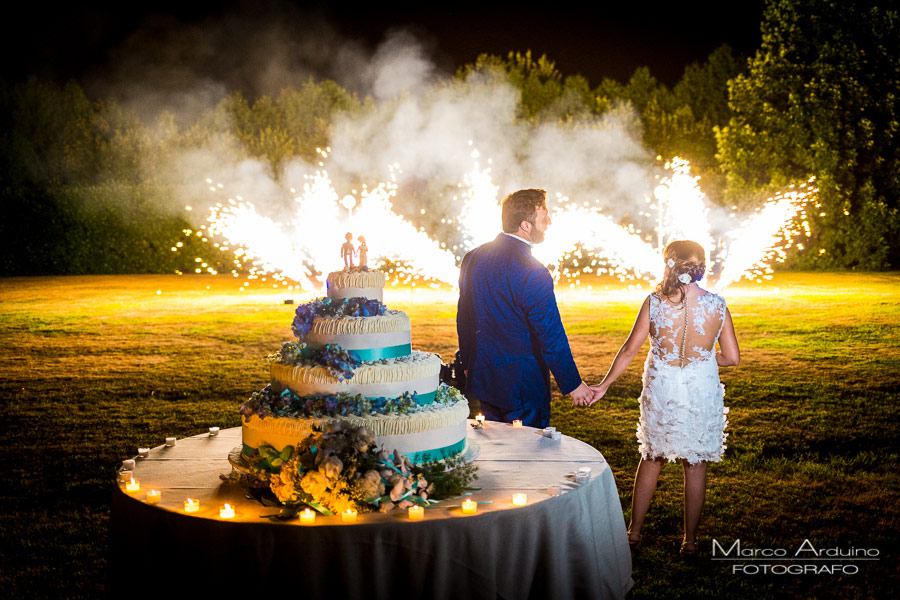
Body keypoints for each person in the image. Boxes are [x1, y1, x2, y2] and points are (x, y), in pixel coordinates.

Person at [589, 240, 740, 555]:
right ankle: (690, 541)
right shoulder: (717, 304)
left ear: (669, 264)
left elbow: (631, 349)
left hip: (663, 387)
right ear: (701, 267)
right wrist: (704, 360)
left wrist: (603, 385)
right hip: (701, 387)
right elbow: (732, 357)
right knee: (695, 464)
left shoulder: (654, 302)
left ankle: (634, 533)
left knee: (652, 458)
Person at [457, 188, 597, 428]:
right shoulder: (534, 271)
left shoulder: (473, 257)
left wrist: (469, 362)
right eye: (544, 216)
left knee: (495, 449)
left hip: (486, 377)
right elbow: (550, 334)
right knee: (527, 457)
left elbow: (465, 317)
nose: (549, 222)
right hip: (522, 385)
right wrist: (573, 384)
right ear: (525, 225)